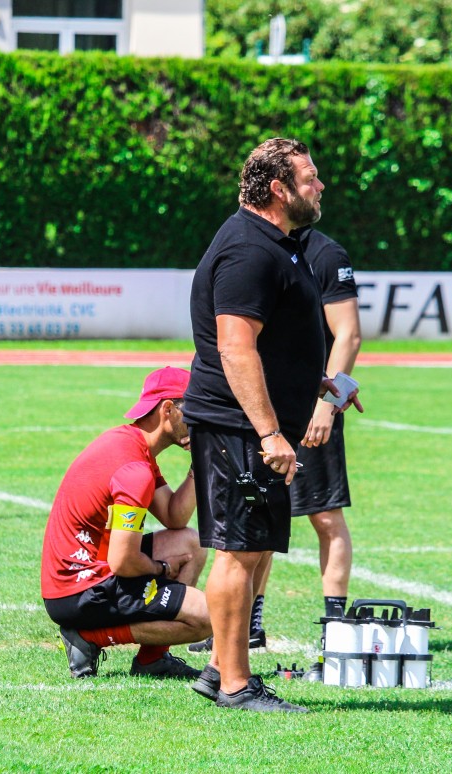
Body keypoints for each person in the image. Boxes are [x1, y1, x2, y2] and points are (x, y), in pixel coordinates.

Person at [182, 138, 361, 713]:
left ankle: (219, 669)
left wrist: (318, 382)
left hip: (257, 422)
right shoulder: (248, 250)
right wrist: (268, 432)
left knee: (255, 547)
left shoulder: (277, 244)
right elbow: (235, 349)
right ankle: (235, 685)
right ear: (279, 189)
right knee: (238, 551)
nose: (321, 186)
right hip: (238, 425)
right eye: (310, 178)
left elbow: (276, 342)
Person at [40, 366, 211, 680]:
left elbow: (174, 516)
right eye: (195, 410)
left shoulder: (131, 445)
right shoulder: (135, 470)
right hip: (79, 589)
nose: (201, 420)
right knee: (208, 617)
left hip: (80, 574)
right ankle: (88, 637)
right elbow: (123, 561)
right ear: (168, 410)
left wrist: (199, 466)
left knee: (191, 543)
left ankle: (153, 659)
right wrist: (161, 569)